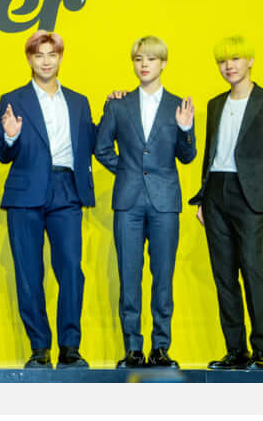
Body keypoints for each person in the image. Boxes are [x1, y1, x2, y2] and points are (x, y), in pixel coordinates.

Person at [189, 36, 263, 371]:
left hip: (250, 195)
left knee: (252, 272)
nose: (229, 66)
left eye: (236, 58)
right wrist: (203, 197)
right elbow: (210, 154)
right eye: (223, 61)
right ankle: (235, 351)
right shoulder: (215, 104)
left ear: (250, 60)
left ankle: (261, 351)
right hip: (216, 192)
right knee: (224, 276)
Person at [0, 30, 96, 369]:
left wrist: (118, 102)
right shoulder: (12, 99)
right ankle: (39, 347)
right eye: (39, 55)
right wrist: (11, 136)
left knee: (71, 270)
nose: (46, 61)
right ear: (29, 59)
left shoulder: (80, 101)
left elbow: (93, 141)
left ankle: (70, 347)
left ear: (61, 57)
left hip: (67, 188)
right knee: (28, 272)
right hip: (25, 193)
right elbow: (2, 153)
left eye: (52, 54)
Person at [94, 36, 196, 369]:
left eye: (151, 59)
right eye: (138, 59)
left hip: (166, 202)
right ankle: (133, 349)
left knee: (163, 277)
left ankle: (161, 347)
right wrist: (127, 170)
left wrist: (186, 129)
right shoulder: (118, 104)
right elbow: (101, 148)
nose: (144, 65)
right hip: (128, 202)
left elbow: (188, 155)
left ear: (163, 63)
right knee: (129, 276)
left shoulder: (179, 105)